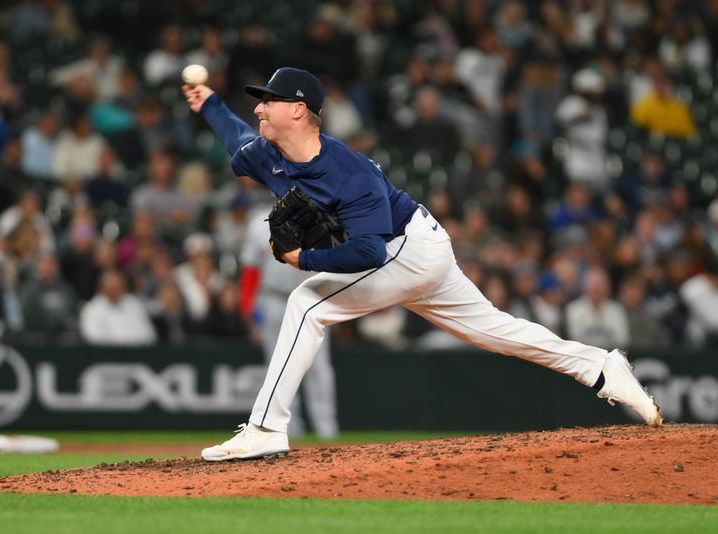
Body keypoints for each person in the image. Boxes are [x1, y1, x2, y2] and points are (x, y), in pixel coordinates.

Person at [183, 67, 662, 462]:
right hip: (419, 250)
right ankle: (601, 368)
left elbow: (369, 252)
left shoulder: (350, 173)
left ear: (298, 109)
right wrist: (209, 104)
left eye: (268, 100)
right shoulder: (268, 154)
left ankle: (267, 427)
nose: (259, 107)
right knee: (495, 331)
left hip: (405, 250)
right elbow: (235, 138)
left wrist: (302, 258)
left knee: (307, 304)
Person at [240, 205, 340, 440]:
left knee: (318, 366)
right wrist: (247, 304)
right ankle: (287, 429)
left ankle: (327, 429)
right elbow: (250, 268)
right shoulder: (259, 222)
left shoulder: (321, 216)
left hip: (313, 297)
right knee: (278, 365)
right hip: (274, 299)